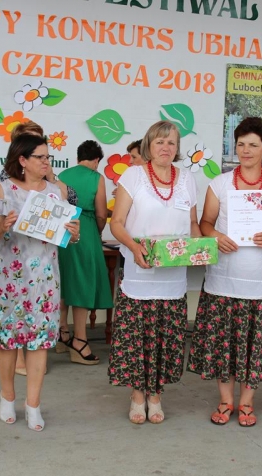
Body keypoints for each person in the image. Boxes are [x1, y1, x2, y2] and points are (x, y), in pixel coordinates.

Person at [187, 117, 262, 427]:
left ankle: (246, 403)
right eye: (241, 145)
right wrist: (216, 236)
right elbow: (205, 223)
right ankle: (225, 400)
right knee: (224, 343)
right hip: (223, 277)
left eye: (253, 145)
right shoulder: (219, 183)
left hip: (260, 280)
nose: (246, 151)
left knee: (254, 345)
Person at [0, 134, 80, 431]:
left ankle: (33, 404)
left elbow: (66, 237)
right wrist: (2, 226)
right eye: (40, 157)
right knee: (7, 339)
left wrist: (73, 233)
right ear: (22, 160)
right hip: (9, 277)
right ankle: (7, 396)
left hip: (44, 279)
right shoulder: (3, 189)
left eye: (48, 156)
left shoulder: (56, 191)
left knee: (39, 341)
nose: (46, 162)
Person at [108, 120, 200, 424]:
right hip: (140, 273)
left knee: (166, 338)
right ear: (149, 145)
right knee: (137, 338)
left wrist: (200, 247)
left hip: (172, 278)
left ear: (177, 148)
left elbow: (193, 224)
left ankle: (156, 394)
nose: (166, 147)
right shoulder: (133, 176)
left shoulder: (187, 179)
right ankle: (138, 395)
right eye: (160, 142)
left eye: (171, 142)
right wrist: (134, 248)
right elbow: (117, 223)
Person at [57, 140, 113, 365]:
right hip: (85, 230)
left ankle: (62, 333)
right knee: (82, 282)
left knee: (64, 280)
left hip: (61, 231)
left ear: (78, 157)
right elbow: (101, 213)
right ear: (97, 160)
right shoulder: (96, 178)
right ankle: (80, 340)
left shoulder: (62, 174)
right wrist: (97, 231)